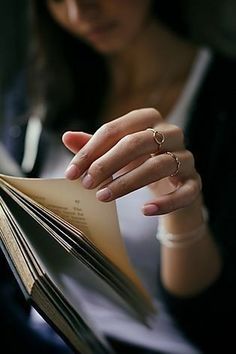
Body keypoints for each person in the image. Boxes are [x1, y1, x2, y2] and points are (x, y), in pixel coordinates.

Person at [1, 0, 236, 353]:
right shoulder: (46, 83)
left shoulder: (225, 104)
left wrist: (184, 213)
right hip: (42, 327)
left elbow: (216, 323)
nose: (79, 13)